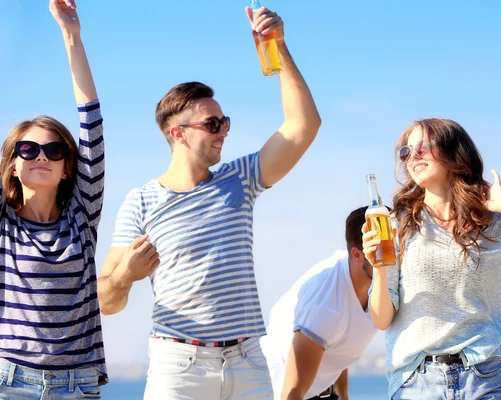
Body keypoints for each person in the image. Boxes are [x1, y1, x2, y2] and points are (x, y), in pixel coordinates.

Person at [97, 5, 321, 400]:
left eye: (225, 122)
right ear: (178, 133)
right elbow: (107, 301)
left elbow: (304, 125)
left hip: (249, 360)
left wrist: (278, 48)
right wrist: (124, 276)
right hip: (179, 367)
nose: (224, 132)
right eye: (212, 124)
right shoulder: (141, 202)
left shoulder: (242, 178)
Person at [363, 118, 501, 399]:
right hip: (417, 384)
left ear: (453, 151)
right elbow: (381, 319)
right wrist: (379, 269)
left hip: (484, 379)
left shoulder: (497, 225)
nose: (413, 156)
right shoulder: (397, 224)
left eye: (424, 147)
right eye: (406, 152)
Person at [0, 0, 107, 398]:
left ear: (68, 168)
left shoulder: (81, 215)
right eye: (27, 150)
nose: (41, 156)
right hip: (9, 383)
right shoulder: (5, 224)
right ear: (12, 165)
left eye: (54, 151)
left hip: (78, 386)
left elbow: (91, 122)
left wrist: (71, 37)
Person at [261, 206, 380, 400]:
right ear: (358, 255)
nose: (394, 255)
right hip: (278, 392)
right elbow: (291, 393)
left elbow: (339, 347)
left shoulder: (378, 287)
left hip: (322, 392)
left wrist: (344, 397)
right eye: (381, 249)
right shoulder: (325, 306)